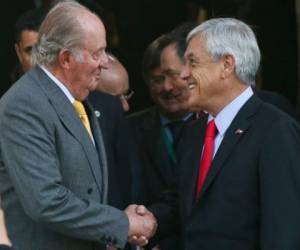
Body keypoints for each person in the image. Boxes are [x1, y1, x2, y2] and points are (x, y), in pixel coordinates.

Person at [0, 1, 156, 250]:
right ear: (66, 59)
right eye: (97, 53)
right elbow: (46, 201)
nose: (105, 62)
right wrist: (121, 223)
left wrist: (118, 225)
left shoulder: (76, 98)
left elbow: (88, 188)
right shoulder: (24, 104)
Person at [140, 17, 300, 249]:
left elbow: (284, 231)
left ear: (226, 65)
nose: (185, 75)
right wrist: (148, 221)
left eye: (193, 63)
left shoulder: (276, 131)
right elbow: (184, 204)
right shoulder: (195, 131)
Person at [127, 23, 197, 250]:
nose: (167, 87)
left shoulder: (214, 125)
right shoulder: (129, 130)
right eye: (156, 80)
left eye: (172, 76)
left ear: (191, 74)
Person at [11, 6, 47, 83]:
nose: (38, 60)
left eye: (45, 48)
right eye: (30, 50)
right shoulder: (14, 94)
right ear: (19, 53)